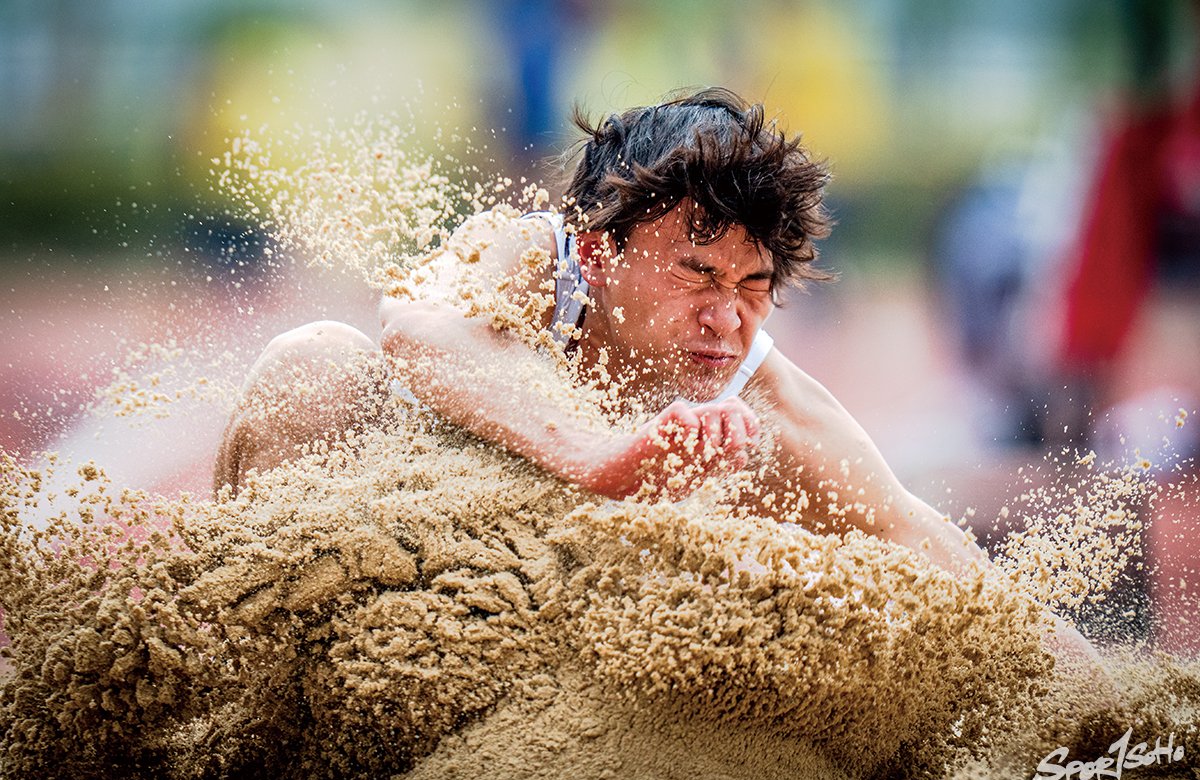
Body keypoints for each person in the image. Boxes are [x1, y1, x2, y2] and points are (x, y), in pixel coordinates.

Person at [213, 88, 1100, 659]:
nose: (728, 319)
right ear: (600, 254)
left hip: (513, 652)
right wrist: (601, 455)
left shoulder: (768, 401)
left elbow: (923, 542)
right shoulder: (533, 259)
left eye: (756, 286)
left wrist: (1116, 716)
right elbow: (416, 328)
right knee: (311, 364)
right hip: (377, 573)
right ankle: (229, 677)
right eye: (698, 274)